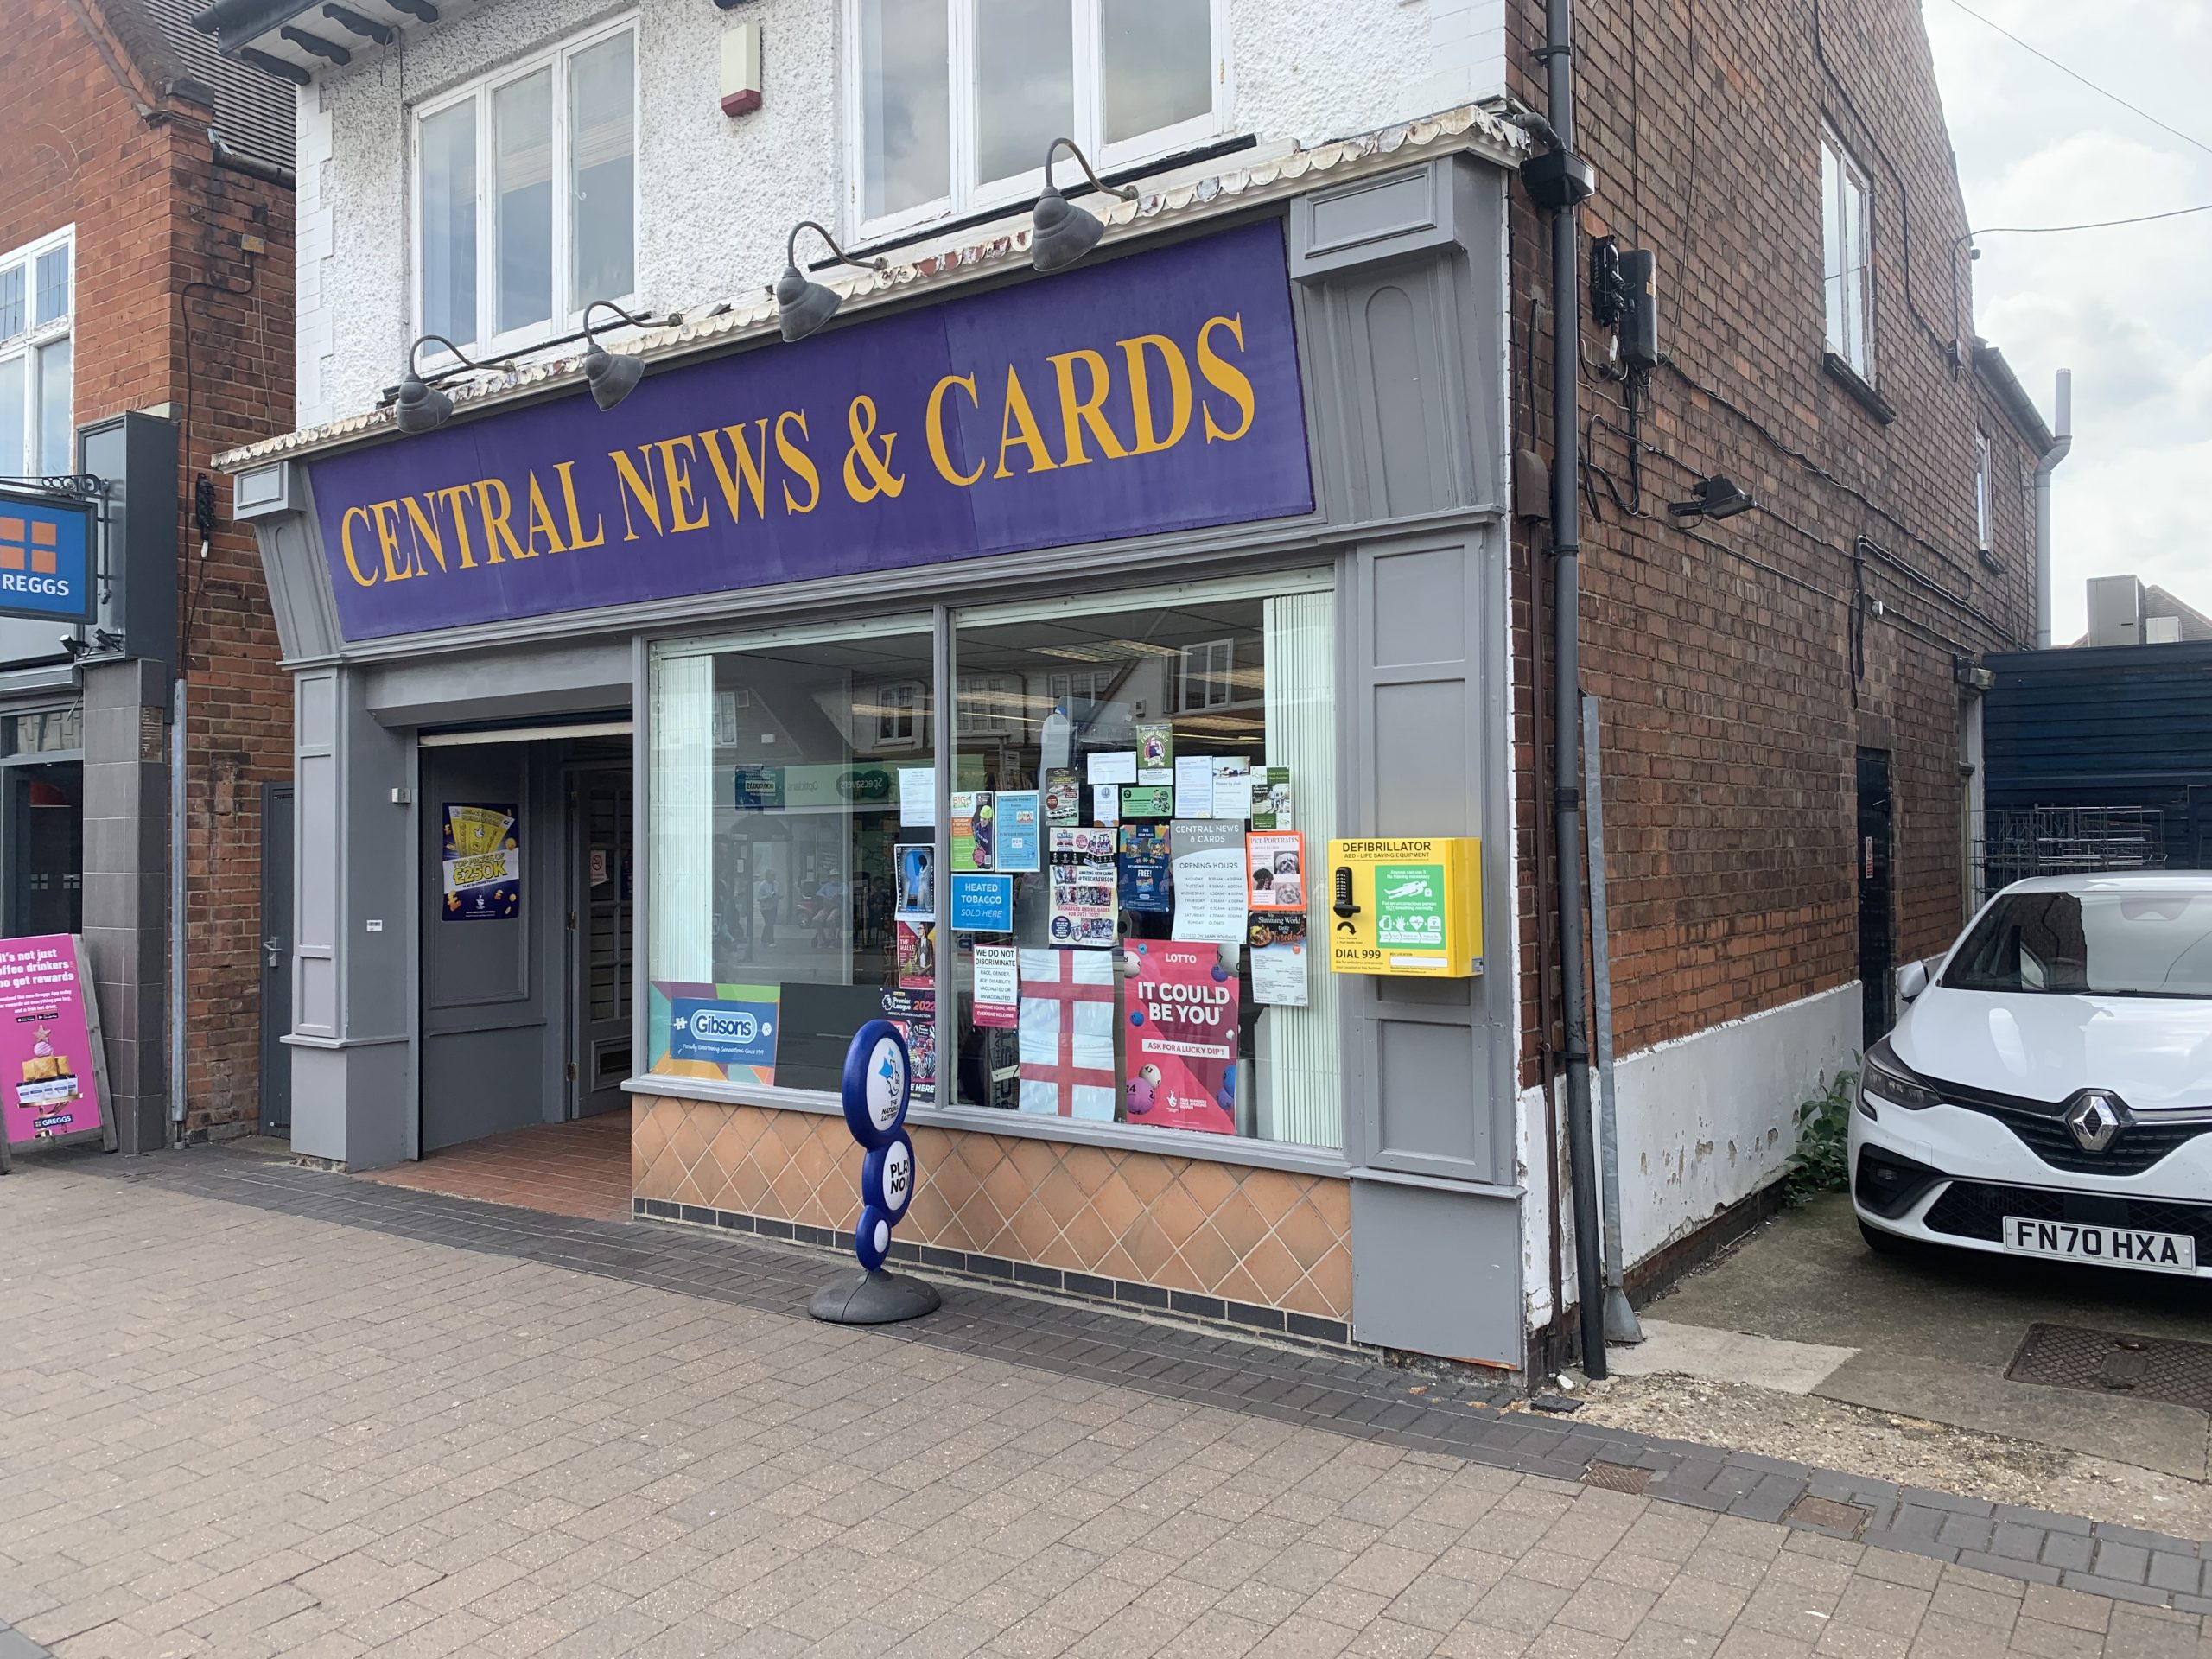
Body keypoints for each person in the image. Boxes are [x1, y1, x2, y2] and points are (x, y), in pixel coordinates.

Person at [754, 868, 780, 946]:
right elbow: (758, 898)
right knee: (769, 923)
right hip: (765, 907)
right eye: (772, 876)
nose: (773, 878)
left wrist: (778, 897)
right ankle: (770, 940)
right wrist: (766, 897)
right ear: (767, 876)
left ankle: (765, 939)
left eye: (774, 876)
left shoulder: (776, 884)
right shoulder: (762, 885)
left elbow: (777, 893)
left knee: (770, 923)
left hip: (773, 906)